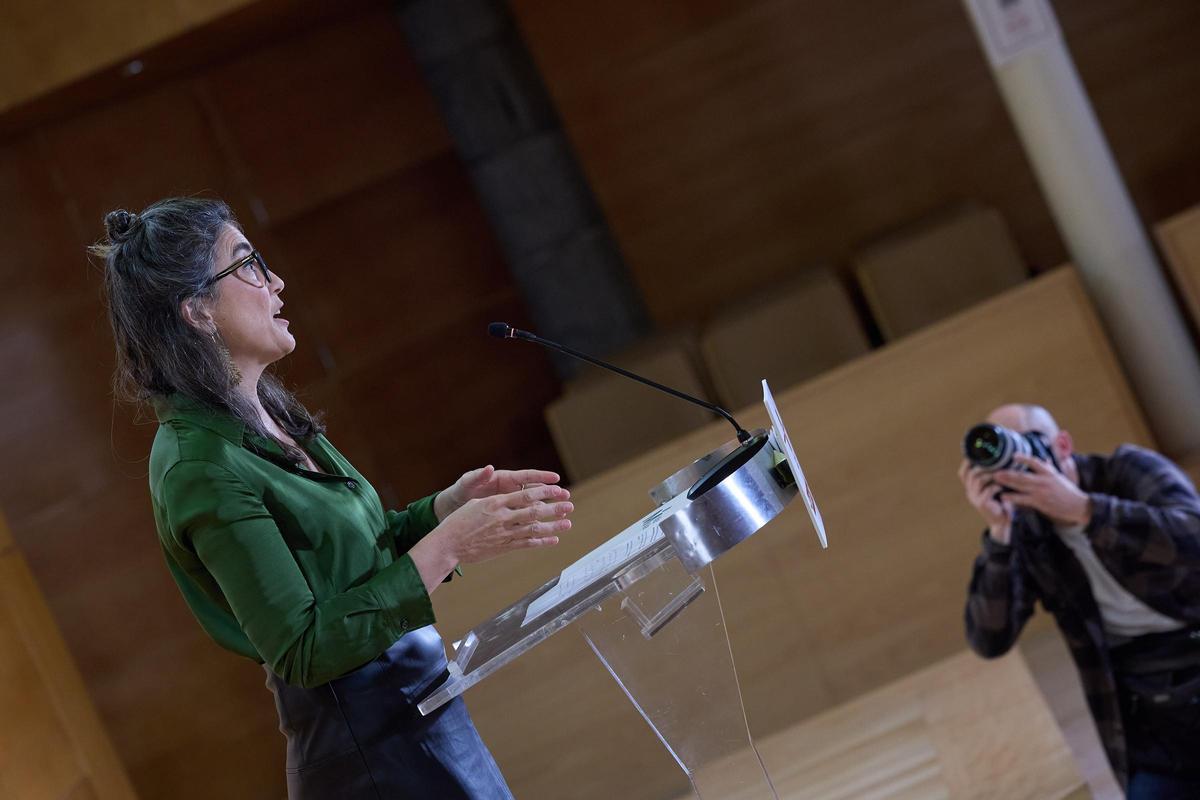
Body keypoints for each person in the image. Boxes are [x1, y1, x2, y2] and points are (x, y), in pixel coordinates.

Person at [93, 196, 574, 799]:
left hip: (421, 714)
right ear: (197, 311)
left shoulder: (263, 411)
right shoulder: (199, 465)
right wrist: (448, 546)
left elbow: (349, 564)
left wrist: (442, 512)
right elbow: (303, 648)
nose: (276, 282)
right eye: (248, 265)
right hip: (370, 759)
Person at [959, 403, 1200, 799]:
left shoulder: (1126, 471)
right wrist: (999, 535)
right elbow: (988, 638)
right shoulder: (1025, 529)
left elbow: (1193, 540)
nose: (1017, 461)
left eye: (1026, 443)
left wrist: (1086, 511)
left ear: (1063, 445)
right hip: (1151, 718)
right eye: (1001, 452)